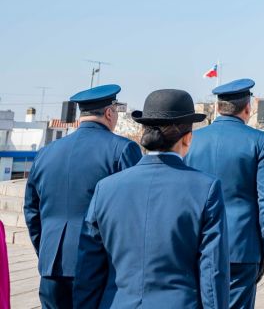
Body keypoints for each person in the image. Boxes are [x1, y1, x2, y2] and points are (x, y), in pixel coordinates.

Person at [73, 89, 229, 308]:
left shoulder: (106, 188)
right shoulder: (206, 188)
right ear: (188, 138)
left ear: (142, 134)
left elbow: (88, 270)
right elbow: (213, 271)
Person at [24, 85, 142, 309]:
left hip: (52, 263)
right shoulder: (123, 149)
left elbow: (31, 209)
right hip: (97, 264)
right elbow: (132, 212)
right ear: (109, 113)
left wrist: (46, 248)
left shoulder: (46, 152)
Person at [185, 78, 264, 309]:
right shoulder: (261, 141)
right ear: (248, 107)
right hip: (241, 246)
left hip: (199, 242)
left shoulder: (192, 139)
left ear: (218, 107)